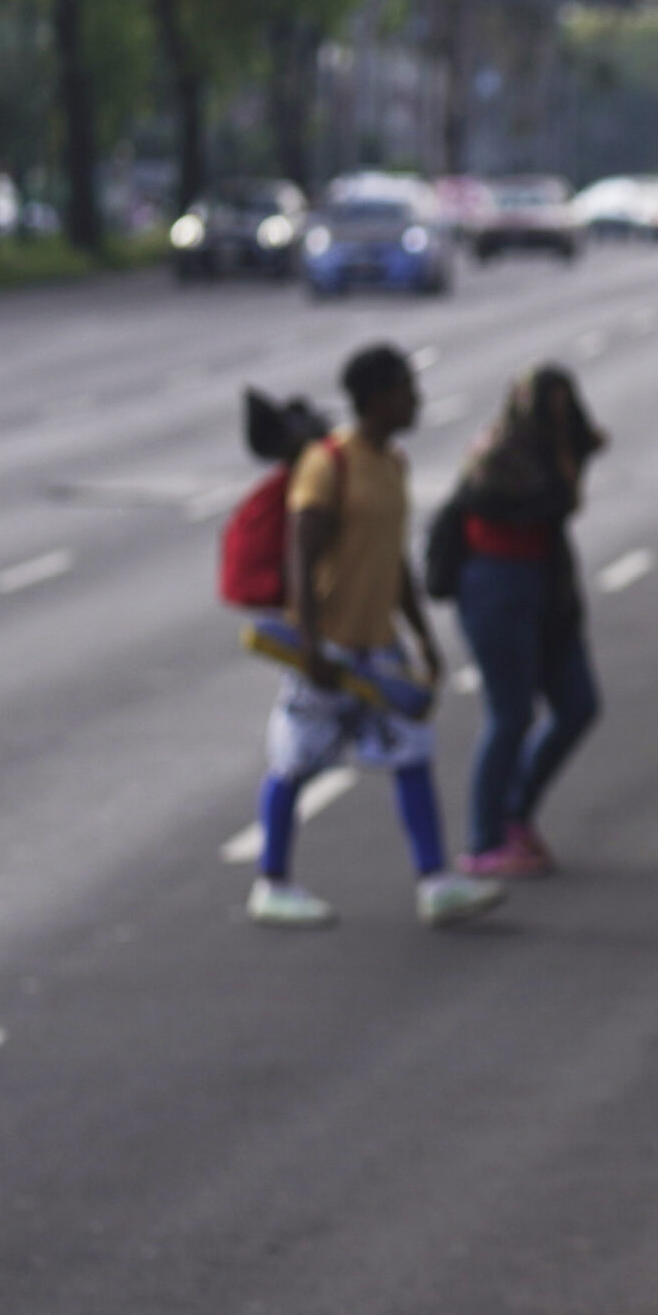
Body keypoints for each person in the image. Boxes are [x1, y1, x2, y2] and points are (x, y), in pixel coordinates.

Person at [247, 343, 504, 930]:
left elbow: (394, 561)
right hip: (327, 648)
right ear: (377, 399)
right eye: (406, 389)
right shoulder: (328, 462)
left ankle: (436, 882)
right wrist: (310, 646)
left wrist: (422, 636)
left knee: (412, 752)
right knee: (295, 761)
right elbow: (300, 557)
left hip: (378, 644)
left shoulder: (393, 464)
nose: (415, 400)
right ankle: (273, 882)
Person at [451, 364, 607, 877]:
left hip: (548, 585)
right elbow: (531, 499)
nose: (554, 417)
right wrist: (562, 453)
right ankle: (484, 839)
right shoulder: (503, 455)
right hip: (498, 587)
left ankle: (515, 809)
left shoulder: (560, 450)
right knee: (510, 713)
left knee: (578, 704)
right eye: (546, 406)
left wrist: (571, 445)